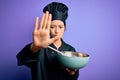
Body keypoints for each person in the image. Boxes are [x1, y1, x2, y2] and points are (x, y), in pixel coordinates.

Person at [16, 2, 79, 80]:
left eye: (60, 27)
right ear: (47, 28)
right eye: (52, 27)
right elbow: (23, 58)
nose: (56, 31)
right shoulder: (39, 48)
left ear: (65, 28)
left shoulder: (70, 50)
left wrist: (72, 73)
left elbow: (74, 76)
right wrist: (35, 47)